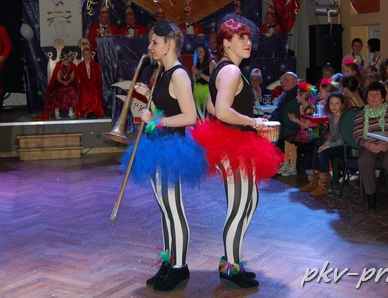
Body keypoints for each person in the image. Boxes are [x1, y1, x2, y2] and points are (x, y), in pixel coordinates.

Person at [192, 18, 283, 290]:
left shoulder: (222, 68)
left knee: (249, 202)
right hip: (233, 144)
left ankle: (234, 260)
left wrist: (246, 121)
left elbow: (211, 105)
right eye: (240, 38)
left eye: (248, 37)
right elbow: (221, 110)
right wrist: (253, 121)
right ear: (226, 43)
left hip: (234, 141)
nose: (248, 42)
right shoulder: (231, 71)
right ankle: (230, 267)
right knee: (239, 207)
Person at [120, 22, 206, 292]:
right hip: (160, 145)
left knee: (174, 209)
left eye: (154, 42)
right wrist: (151, 101)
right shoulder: (164, 73)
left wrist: (159, 121)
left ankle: (180, 268)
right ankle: (169, 262)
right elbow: (166, 108)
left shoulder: (179, 74)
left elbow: (189, 117)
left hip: (172, 147)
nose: (150, 47)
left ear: (170, 43)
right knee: (165, 209)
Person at [352, 81, 388, 211]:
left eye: (377, 94)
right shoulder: (361, 115)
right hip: (369, 145)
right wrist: (367, 144)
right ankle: (371, 196)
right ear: (367, 98)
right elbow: (357, 136)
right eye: (371, 94)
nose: (373, 97)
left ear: (383, 98)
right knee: (364, 160)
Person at [299, 91, 347, 196]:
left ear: (342, 104)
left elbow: (345, 139)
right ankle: (313, 182)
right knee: (317, 150)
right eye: (331, 103)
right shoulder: (332, 117)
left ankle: (323, 186)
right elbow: (332, 135)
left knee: (324, 153)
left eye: (337, 103)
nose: (334, 106)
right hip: (336, 143)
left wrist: (328, 145)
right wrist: (326, 144)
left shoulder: (345, 117)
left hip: (346, 146)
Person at [280, 82, 318, 177]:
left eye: (298, 95)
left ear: (302, 96)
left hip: (311, 131)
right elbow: (302, 121)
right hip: (304, 131)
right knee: (288, 141)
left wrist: (296, 120)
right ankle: (287, 163)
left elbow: (306, 125)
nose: (296, 97)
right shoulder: (301, 107)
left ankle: (292, 167)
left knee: (292, 142)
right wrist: (295, 118)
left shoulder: (309, 108)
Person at [43, 48, 79, 120]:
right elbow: (58, 77)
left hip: (69, 82)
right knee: (57, 91)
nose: (72, 57)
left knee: (72, 91)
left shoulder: (72, 65)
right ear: (66, 56)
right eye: (71, 56)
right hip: (60, 82)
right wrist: (63, 82)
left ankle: (70, 110)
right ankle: (56, 110)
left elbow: (72, 77)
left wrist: (68, 81)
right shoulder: (59, 65)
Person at [267, 72, 299, 151]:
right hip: (281, 124)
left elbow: (281, 114)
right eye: (282, 81)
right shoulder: (287, 93)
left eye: (287, 80)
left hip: (288, 127)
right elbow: (278, 109)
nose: (284, 83)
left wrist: (269, 122)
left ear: (295, 81)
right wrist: (270, 116)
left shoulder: (297, 95)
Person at [76, 43, 104, 119]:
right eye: (85, 54)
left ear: (91, 55)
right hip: (84, 85)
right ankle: (86, 111)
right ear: (83, 55)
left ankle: (93, 111)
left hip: (94, 84)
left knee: (95, 93)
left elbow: (99, 77)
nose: (87, 56)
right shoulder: (80, 66)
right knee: (85, 93)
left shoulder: (96, 65)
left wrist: (97, 86)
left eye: (88, 54)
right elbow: (78, 78)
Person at [191, 41, 215, 117]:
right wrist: (194, 72)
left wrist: (200, 74)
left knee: (207, 115)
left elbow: (212, 80)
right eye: (197, 51)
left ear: (206, 52)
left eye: (201, 51)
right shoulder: (196, 64)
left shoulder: (211, 63)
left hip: (208, 92)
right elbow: (194, 80)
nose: (199, 53)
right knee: (198, 115)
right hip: (197, 91)